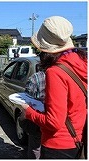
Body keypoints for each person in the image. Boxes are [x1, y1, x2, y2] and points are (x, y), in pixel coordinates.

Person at [20, 16, 87, 159]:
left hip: (57, 145)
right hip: (78, 137)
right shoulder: (82, 62)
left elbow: (54, 122)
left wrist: (28, 112)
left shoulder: (55, 72)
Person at [19, 70, 45, 159]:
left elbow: (27, 98)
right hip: (57, 118)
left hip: (36, 118)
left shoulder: (36, 77)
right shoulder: (65, 74)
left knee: (35, 147)